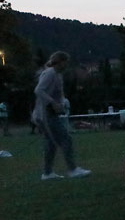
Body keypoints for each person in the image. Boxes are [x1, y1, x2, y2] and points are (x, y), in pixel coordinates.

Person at [31, 51, 90, 180]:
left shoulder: (57, 75)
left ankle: (47, 173)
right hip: (45, 115)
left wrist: (62, 102)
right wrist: (52, 103)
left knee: (51, 143)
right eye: (66, 62)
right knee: (66, 138)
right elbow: (38, 90)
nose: (67, 65)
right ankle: (72, 169)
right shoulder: (50, 73)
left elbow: (59, 93)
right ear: (61, 61)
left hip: (48, 114)